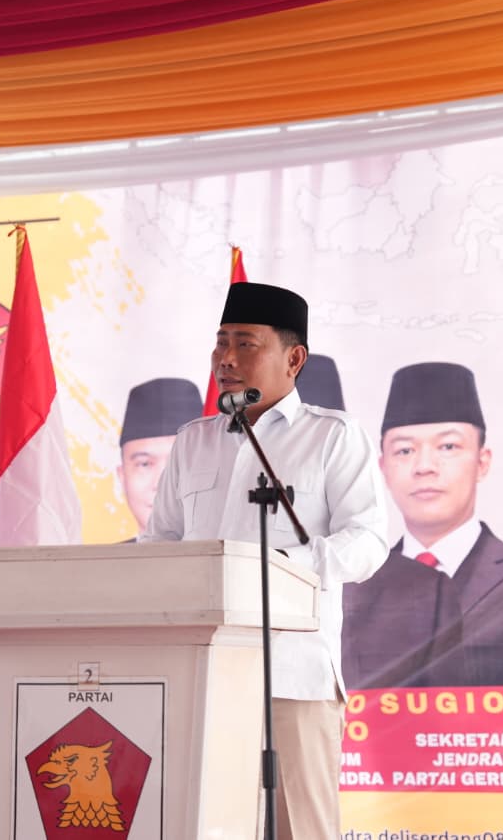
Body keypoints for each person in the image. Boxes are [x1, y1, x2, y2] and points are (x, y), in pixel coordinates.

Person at [141, 281, 388, 839]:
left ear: (293, 359)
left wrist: (282, 566)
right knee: (205, 826)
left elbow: (368, 541)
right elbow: (161, 544)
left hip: (293, 677)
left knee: (301, 828)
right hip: (202, 677)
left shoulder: (332, 436)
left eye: (245, 344)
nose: (226, 359)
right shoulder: (193, 441)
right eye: (221, 342)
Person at [341, 362, 503, 689]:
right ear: (382, 467)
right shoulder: (358, 582)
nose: (424, 466)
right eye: (405, 450)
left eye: (448, 447)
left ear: (482, 462)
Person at [116, 377, 203, 538]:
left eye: (179, 462)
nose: (162, 485)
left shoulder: (237, 553)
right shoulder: (101, 556)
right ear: (122, 476)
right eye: (144, 464)